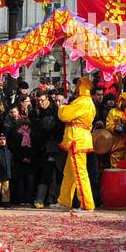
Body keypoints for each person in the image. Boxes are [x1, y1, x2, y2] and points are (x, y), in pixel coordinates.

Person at [53, 76, 97, 211]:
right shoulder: (84, 101)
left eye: (78, 85)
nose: (75, 88)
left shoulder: (82, 102)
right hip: (77, 139)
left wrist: (63, 106)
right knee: (70, 173)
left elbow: (64, 116)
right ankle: (64, 201)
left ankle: (87, 204)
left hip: (77, 140)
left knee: (79, 173)